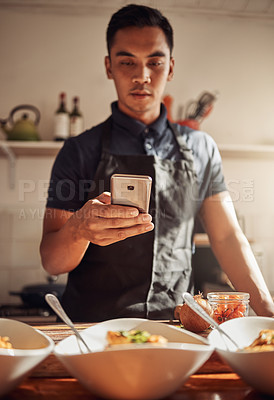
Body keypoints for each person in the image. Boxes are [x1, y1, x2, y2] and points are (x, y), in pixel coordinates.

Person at [40, 4, 274, 322]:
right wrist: (80, 228)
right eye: (127, 62)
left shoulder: (201, 147)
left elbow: (227, 237)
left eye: (155, 62)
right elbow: (52, 261)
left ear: (171, 67)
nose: (142, 76)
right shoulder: (78, 150)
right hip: (91, 328)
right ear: (109, 67)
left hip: (179, 325)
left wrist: (268, 313)